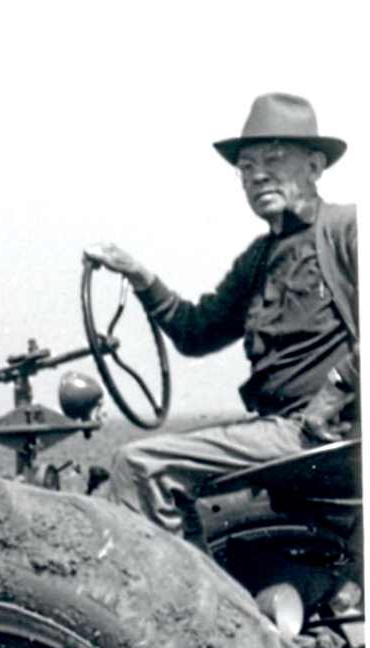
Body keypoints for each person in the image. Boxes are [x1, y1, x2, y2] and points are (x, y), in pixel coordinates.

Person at [84, 92, 358, 538]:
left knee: (141, 466)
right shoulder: (258, 258)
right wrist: (138, 275)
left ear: (314, 166)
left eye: (274, 159)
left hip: (328, 437)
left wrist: (337, 388)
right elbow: (196, 332)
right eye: (246, 168)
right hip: (282, 432)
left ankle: (179, 606)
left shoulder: (346, 230)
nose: (258, 176)